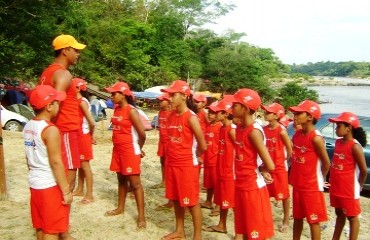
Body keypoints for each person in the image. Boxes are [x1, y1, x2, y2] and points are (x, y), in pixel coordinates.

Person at [23, 85, 74, 240]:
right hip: (49, 185)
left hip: (35, 183)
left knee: (40, 225)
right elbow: (56, 162)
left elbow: (27, 158)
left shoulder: (29, 126)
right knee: (51, 229)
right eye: (57, 102)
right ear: (49, 106)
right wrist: (65, 190)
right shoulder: (50, 130)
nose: (59, 105)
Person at [38, 34, 86, 193]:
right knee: (67, 183)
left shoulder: (46, 73)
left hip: (55, 129)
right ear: (65, 51)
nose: (78, 54)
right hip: (66, 130)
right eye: (75, 50)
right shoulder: (63, 74)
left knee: (55, 177)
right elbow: (54, 105)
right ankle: (60, 217)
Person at [160, 80, 207, 240]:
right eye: (169, 95)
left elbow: (203, 144)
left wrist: (196, 158)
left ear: (184, 96)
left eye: (173, 95)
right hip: (172, 163)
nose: (170, 98)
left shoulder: (191, 118)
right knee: (175, 198)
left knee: (191, 201)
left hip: (186, 165)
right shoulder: (171, 115)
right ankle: (180, 231)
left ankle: (197, 236)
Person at [230, 88, 275, 240]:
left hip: (252, 188)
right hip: (241, 184)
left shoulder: (254, 132)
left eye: (235, 104)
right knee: (244, 229)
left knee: (255, 233)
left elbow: (270, 164)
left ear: (245, 108)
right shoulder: (239, 128)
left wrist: (261, 169)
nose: (231, 107)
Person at [104, 82, 147, 230]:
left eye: (114, 93)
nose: (111, 96)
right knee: (121, 180)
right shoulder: (116, 110)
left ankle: (141, 216)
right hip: (118, 150)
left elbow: (142, 134)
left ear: (123, 94)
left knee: (135, 184)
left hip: (129, 150)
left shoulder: (131, 111)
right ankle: (120, 207)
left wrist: (138, 148)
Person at [288, 100, 331, 240]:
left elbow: (326, 163)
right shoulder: (298, 134)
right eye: (294, 113)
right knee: (297, 218)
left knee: (313, 221)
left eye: (299, 113)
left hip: (311, 187)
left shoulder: (316, 138)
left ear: (310, 117)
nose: (295, 116)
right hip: (298, 185)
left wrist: (320, 179)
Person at [328, 112, 367, 240]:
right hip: (336, 187)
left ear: (349, 128)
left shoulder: (355, 146)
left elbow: (363, 170)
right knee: (339, 214)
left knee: (352, 217)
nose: (335, 128)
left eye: (338, 126)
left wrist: (359, 186)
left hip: (349, 189)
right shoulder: (338, 142)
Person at [202, 99, 236, 234]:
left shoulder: (232, 130)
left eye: (217, 112)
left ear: (226, 113)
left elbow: (242, 151)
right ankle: (222, 225)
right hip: (221, 169)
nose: (214, 114)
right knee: (224, 200)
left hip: (230, 171)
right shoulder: (222, 128)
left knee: (233, 203)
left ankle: (239, 233)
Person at [261, 103, 292, 233]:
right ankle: (265, 218)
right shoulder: (263, 129)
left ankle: (286, 219)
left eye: (269, 112)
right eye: (266, 111)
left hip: (279, 168)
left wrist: (283, 161)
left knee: (284, 194)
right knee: (265, 194)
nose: (265, 114)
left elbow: (290, 150)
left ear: (276, 115)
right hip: (266, 168)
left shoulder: (282, 131)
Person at [71, 78, 95, 204]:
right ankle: (80, 189)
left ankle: (89, 194)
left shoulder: (82, 102)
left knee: (85, 166)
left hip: (83, 136)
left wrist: (91, 136)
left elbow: (92, 122)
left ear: (79, 88)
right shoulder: (75, 100)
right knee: (80, 164)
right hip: (78, 135)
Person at [200, 101, 222, 217]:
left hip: (215, 160)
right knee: (209, 183)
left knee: (216, 184)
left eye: (213, 113)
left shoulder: (220, 127)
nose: (210, 115)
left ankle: (218, 206)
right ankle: (208, 201)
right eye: (209, 112)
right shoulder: (208, 126)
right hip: (208, 159)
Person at [153, 92, 174, 210]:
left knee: (169, 163)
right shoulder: (160, 112)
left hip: (169, 142)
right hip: (162, 141)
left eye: (162, 100)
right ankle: (163, 181)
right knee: (162, 161)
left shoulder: (172, 113)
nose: (160, 102)